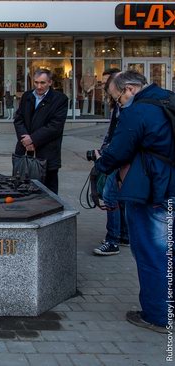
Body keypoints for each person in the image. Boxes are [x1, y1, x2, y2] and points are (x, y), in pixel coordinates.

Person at [95, 69, 174, 333]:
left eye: (117, 98)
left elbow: (118, 151)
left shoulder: (138, 110)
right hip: (169, 185)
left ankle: (158, 315)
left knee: (152, 252)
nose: (118, 104)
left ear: (130, 89)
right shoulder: (168, 99)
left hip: (152, 189)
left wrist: (101, 164)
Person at [93, 68, 130, 256]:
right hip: (114, 156)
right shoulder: (118, 105)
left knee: (109, 196)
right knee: (117, 197)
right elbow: (112, 131)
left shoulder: (128, 106)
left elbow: (122, 135)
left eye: (109, 83)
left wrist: (107, 155)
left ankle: (112, 240)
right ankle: (123, 235)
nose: (106, 87)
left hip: (119, 158)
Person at [13, 68, 68, 194]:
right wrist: (25, 140)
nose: (39, 86)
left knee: (49, 193)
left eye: (42, 83)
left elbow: (55, 126)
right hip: (25, 153)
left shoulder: (60, 99)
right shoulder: (27, 96)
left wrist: (33, 139)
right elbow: (18, 119)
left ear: (50, 82)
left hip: (47, 154)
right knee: (22, 189)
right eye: (36, 82)